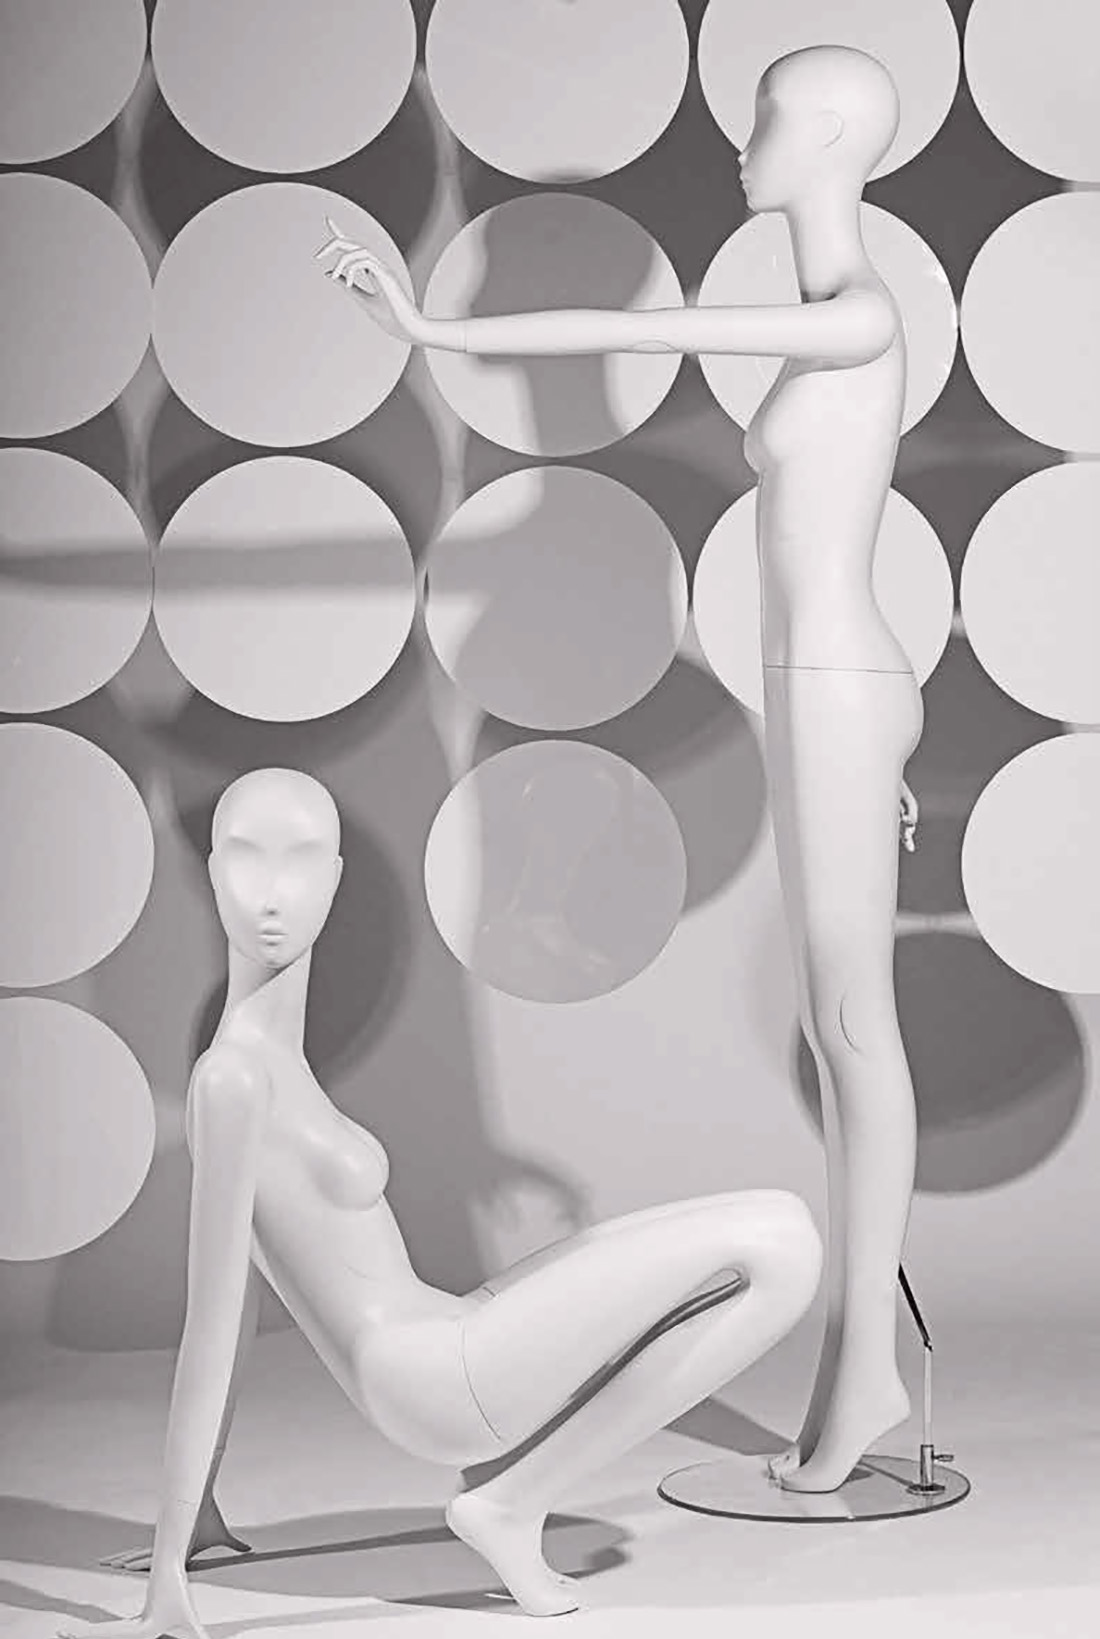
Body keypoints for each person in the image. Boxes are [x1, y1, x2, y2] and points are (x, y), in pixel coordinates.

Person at [314, 43, 922, 1494]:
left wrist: (435, 334)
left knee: (853, 1028)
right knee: (842, 1028)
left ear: (830, 137)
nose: (742, 143)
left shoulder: (858, 310)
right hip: (830, 697)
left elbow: (643, 329)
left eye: (767, 118)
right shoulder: (832, 316)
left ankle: (864, 1375)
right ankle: (860, 1368)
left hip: (838, 692)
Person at [59, 768, 820, 1639]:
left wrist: (198, 1517)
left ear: (335, 881)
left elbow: (253, 1295)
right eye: (245, 857)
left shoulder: (274, 1061)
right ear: (208, 871)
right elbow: (214, 1324)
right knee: (784, 1248)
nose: (272, 894)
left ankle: (514, 1498)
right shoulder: (232, 1080)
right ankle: (513, 1503)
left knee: (775, 1218)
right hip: (435, 1377)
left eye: (301, 860)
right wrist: (165, 1574)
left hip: (455, 1327)